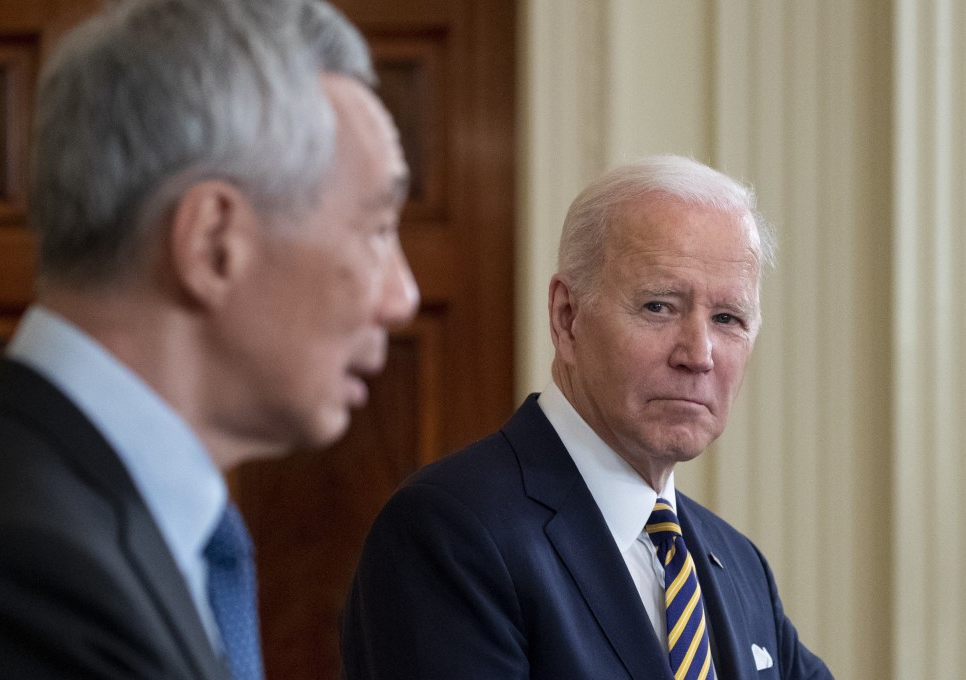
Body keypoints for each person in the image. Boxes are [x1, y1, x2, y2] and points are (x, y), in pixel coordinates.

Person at [0, 0, 418, 677]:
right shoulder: (17, 572)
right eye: (376, 229)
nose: (401, 297)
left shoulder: (87, 517)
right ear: (213, 244)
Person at [342, 156, 833, 679]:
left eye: (727, 318)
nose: (699, 353)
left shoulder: (739, 566)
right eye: (659, 307)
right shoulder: (449, 533)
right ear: (566, 317)